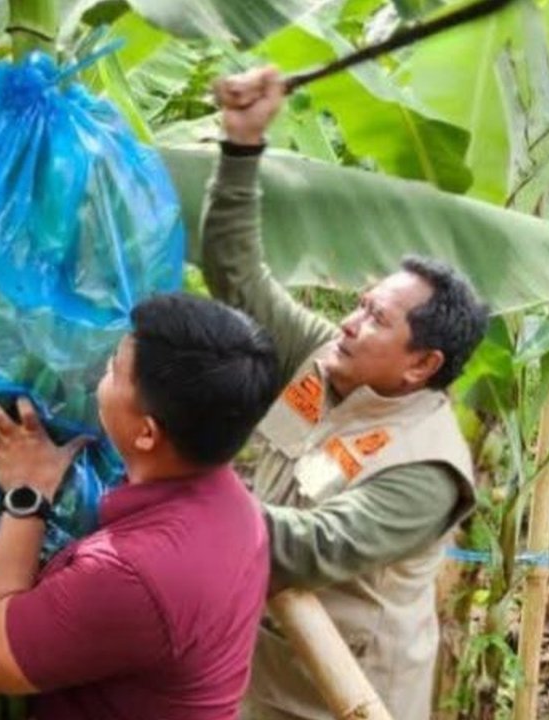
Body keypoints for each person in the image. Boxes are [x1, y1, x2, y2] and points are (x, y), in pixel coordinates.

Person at [204, 67, 489, 720]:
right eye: (361, 305)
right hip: (257, 674)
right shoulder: (325, 359)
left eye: (377, 319)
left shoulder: (427, 468)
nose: (352, 322)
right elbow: (234, 272)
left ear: (421, 364)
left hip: (335, 700)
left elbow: (311, 547)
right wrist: (243, 145)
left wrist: (182, 487)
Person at [0, 293, 278, 719]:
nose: (100, 377)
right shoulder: (236, 505)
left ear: (147, 433)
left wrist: (28, 493)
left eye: (112, 369)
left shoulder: (137, 574)